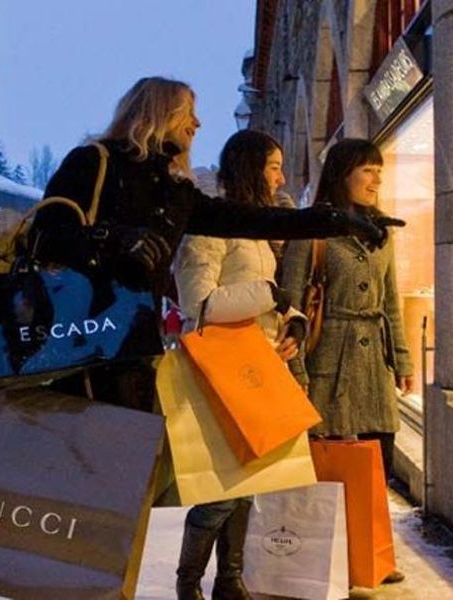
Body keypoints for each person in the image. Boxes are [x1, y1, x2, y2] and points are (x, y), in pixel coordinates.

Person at [27, 77, 401, 415]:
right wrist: (114, 239)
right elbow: (44, 235)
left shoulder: (175, 191)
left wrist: (338, 220)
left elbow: (256, 220)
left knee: (120, 467)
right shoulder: (95, 161)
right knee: (72, 463)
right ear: (160, 112)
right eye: (189, 111)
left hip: (132, 348)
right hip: (74, 338)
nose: (198, 123)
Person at [171, 129, 301, 600]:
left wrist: (293, 320)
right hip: (221, 372)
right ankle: (189, 583)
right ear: (249, 168)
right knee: (221, 488)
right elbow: (198, 303)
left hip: (259, 366)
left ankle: (230, 579)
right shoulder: (209, 225)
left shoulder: (254, 228)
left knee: (249, 485)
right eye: (273, 166)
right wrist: (273, 297)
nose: (281, 177)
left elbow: (263, 292)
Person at [280, 138, 413, 585]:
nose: (377, 179)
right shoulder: (313, 229)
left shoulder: (381, 230)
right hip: (327, 363)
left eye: (379, 171)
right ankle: (333, 559)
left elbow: (390, 300)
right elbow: (292, 307)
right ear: (342, 176)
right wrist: (297, 372)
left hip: (373, 361)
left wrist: (402, 359)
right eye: (367, 171)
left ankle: (371, 556)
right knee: (331, 463)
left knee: (378, 461)